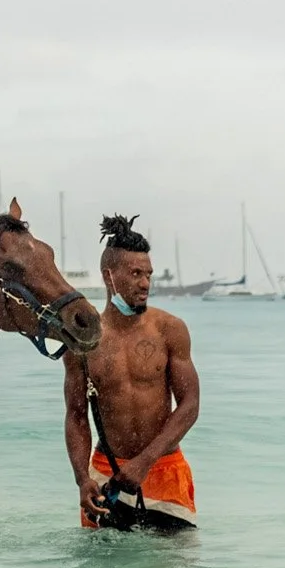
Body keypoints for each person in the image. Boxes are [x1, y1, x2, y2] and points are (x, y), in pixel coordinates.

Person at [64, 214, 201, 531]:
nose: (145, 283)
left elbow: (190, 404)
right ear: (108, 276)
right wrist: (82, 479)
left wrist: (145, 461)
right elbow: (76, 415)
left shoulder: (170, 329)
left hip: (165, 470)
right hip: (105, 476)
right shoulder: (84, 341)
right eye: (136, 273)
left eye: (149, 274)